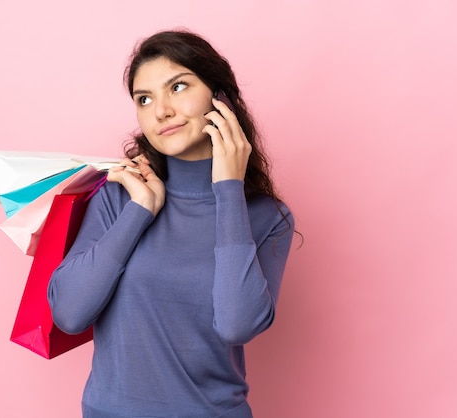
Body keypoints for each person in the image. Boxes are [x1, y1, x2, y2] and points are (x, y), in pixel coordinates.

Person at [48, 29, 295, 417]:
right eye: (144, 99)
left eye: (178, 87)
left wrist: (228, 189)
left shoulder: (265, 216)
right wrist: (139, 211)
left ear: (221, 97)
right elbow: (69, 314)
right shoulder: (117, 196)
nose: (161, 110)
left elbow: (236, 325)